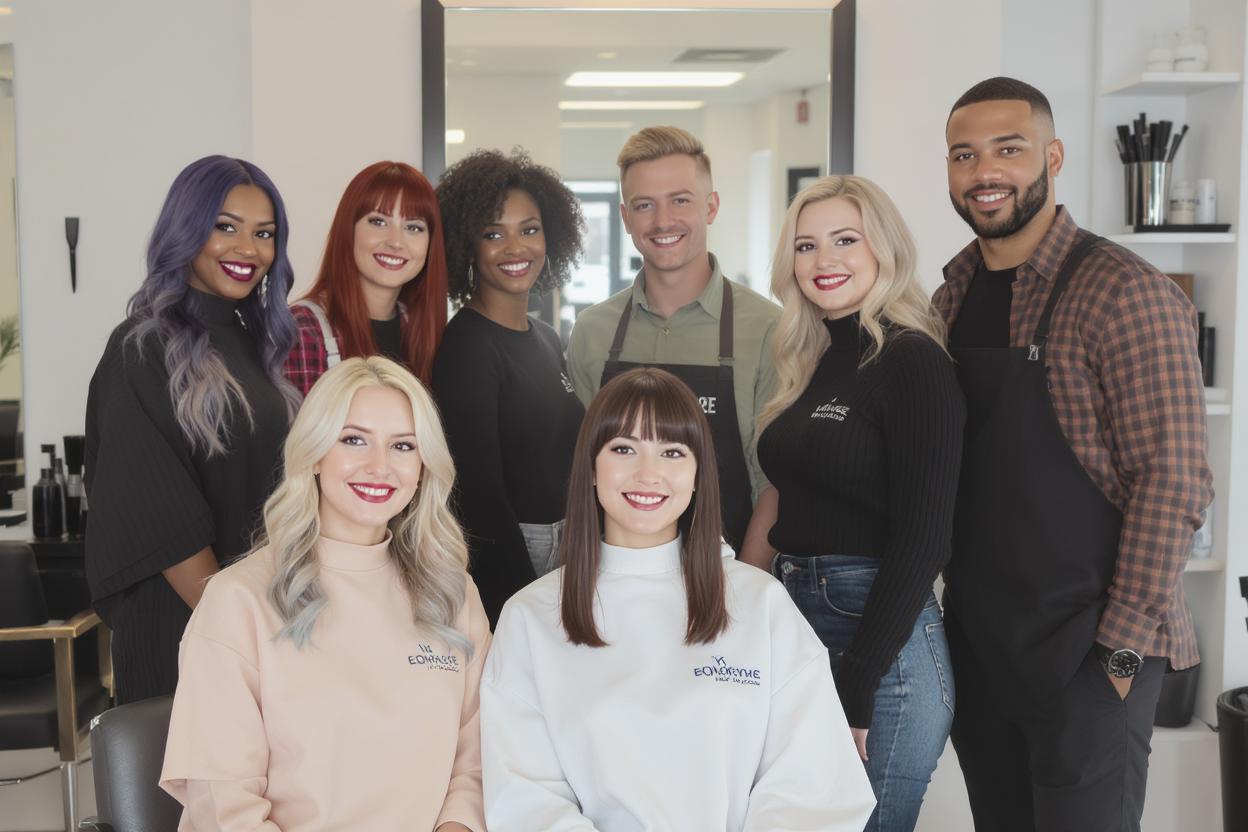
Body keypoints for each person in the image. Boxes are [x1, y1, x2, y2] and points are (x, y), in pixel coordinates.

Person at [937, 77, 1213, 832]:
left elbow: (1176, 478)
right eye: (964, 155)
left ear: (1052, 156)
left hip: (1091, 652)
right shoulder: (949, 295)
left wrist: (1119, 656)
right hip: (984, 647)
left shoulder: (1123, 290)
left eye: (1009, 148)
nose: (984, 171)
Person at [480, 367, 876, 832]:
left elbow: (815, 783)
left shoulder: (760, 605)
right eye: (624, 449)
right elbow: (525, 795)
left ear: (697, 475)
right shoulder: (531, 616)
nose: (648, 474)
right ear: (590, 466)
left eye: (672, 452)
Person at [160, 356, 489, 832]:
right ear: (314, 453)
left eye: (403, 445)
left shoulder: (451, 592)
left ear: (423, 466)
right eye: (353, 439)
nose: (379, 467)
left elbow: (477, 758)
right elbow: (223, 802)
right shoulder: (239, 601)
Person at [745, 175, 964, 832]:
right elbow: (785, 497)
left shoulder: (913, 361)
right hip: (798, 620)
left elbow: (924, 538)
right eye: (807, 246)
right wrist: (739, 604)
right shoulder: (813, 356)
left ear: (884, 249)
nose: (824, 261)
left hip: (883, 649)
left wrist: (860, 682)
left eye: (846, 239)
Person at [85, 155, 301, 703]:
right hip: (184, 627)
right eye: (224, 227)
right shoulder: (141, 347)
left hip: (257, 617)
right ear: (185, 230)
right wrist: (238, 631)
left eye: (264, 233)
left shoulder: (261, 348)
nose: (247, 249)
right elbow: (161, 518)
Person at [565, 126, 780, 553]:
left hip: (729, 577)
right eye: (645, 205)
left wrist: (744, 589)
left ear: (711, 207)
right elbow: (583, 475)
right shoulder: (593, 331)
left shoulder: (769, 330)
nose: (663, 221)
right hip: (612, 580)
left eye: (681, 200)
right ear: (626, 218)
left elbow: (773, 484)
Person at [433, 149, 586, 625]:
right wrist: (522, 606)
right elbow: (478, 499)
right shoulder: (466, 348)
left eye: (530, 229)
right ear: (467, 246)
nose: (516, 248)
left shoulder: (546, 337)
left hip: (569, 548)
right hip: (515, 561)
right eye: (493, 234)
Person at [284, 161, 448, 393]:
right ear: (348, 230)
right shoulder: (303, 329)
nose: (395, 242)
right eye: (378, 222)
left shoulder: (420, 329)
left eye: (413, 227)